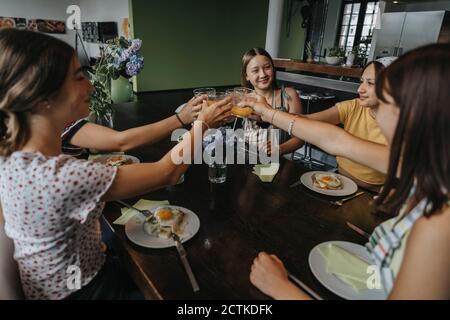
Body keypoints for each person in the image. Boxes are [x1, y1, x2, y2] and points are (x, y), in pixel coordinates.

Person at [0, 29, 231, 300]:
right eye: (77, 77)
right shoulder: (63, 177)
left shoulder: (12, 160)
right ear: (42, 99)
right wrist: (203, 124)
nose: (90, 85)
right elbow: (168, 172)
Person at [244, 43, 450, 299]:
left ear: (413, 111)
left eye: (385, 96)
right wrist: (268, 112)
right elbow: (336, 140)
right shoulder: (422, 162)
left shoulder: (440, 223)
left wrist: (282, 289)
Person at [306, 61, 387, 191]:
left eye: (370, 83)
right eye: (361, 81)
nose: (360, 89)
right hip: (340, 182)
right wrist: (274, 114)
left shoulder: (402, 124)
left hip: (375, 192)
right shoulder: (354, 106)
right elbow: (308, 121)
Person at [61, 94, 205, 156]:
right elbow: (122, 141)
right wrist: (182, 119)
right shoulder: (64, 127)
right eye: (78, 78)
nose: (90, 86)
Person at [240, 48, 303, 156]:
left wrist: (279, 149)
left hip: (280, 162)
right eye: (255, 70)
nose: (263, 74)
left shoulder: (289, 95)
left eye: (267, 67)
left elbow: (300, 138)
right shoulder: (243, 99)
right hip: (248, 159)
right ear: (247, 76)